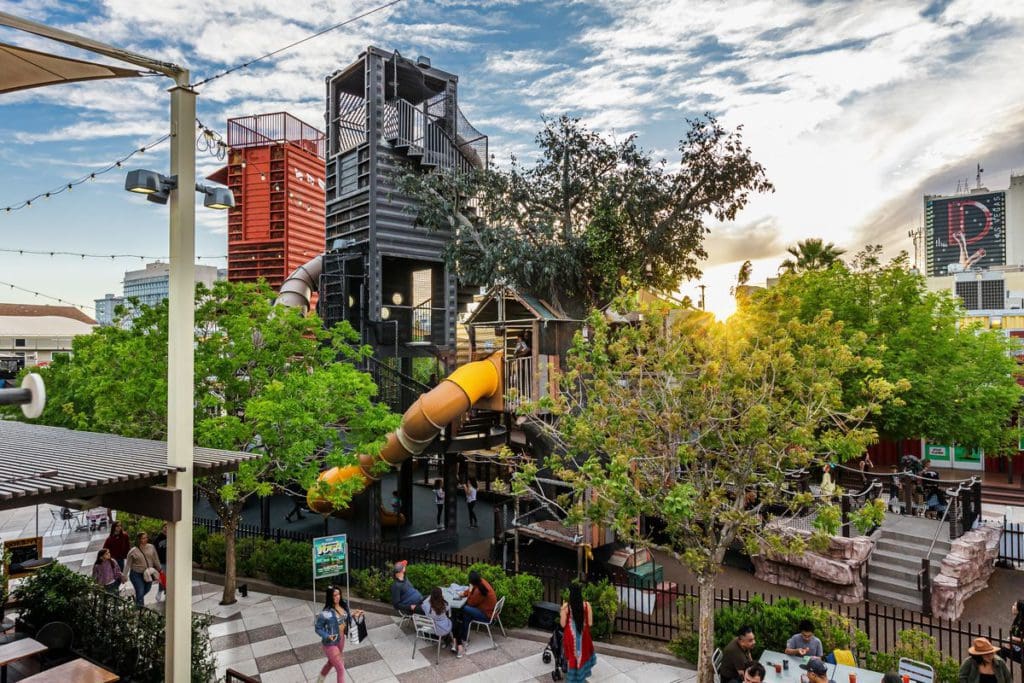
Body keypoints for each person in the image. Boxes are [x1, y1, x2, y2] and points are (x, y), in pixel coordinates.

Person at [314, 585, 362, 683]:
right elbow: (318, 628)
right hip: (330, 643)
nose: (337, 597)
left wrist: (354, 614)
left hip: (341, 640)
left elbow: (345, 618)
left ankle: (319, 681)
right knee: (340, 668)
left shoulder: (343, 605)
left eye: (338, 594)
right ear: (330, 597)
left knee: (331, 663)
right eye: (334, 595)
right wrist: (327, 636)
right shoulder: (325, 613)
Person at [560, 584, 595, 682]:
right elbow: (590, 623)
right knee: (582, 656)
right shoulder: (587, 605)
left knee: (572, 657)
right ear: (580, 594)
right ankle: (581, 676)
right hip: (584, 636)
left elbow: (562, 624)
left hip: (570, 637)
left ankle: (573, 678)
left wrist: (562, 612)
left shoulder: (566, 607)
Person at [421, 587, 466, 659]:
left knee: (451, 621)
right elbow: (448, 608)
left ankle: (452, 642)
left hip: (432, 628)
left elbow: (424, 604)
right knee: (455, 622)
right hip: (443, 629)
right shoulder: (445, 604)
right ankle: (459, 645)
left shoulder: (426, 605)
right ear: (441, 595)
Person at [125, 531, 162, 608]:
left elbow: (156, 559)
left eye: (146, 537)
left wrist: (160, 569)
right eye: (143, 538)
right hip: (136, 574)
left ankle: (137, 599)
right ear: (139, 540)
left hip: (148, 574)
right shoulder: (133, 551)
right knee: (140, 590)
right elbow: (128, 565)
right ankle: (140, 609)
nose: (145, 539)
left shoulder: (151, 547)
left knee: (147, 589)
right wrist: (124, 576)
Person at [152, 523, 168, 602]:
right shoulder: (158, 538)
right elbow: (154, 551)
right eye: (165, 527)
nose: (167, 529)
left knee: (169, 579)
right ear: (162, 528)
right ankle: (160, 591)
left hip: (171, 562)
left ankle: (166, 593)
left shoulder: (172, 536)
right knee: (163, 578)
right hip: (162, 562)